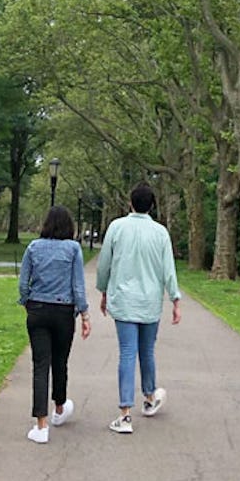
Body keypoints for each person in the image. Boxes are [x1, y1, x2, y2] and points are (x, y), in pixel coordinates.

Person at [96, 181, 181, 434]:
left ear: (130, 202)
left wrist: (103, 291)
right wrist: (175, 299)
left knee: (127, 352)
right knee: (147, 351)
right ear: (152, 205)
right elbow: (169, 269)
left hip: (123, 300)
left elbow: (104, 264)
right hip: (150, 302)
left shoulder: (116, 227)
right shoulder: (160, 233)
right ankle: (149, 396)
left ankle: (124, 414)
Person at [18, 205, 91, 443]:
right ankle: (59, 407)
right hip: (63, 311)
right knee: (60, 362)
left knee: (40, 365)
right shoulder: (73, 249)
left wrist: (26, 301)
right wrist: (85, 314)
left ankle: (41, 424)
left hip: (38, 309)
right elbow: (78, 285)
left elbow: (23, 280)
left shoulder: (34, 247)